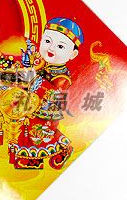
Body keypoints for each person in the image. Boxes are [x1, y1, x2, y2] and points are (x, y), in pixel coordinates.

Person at [13, 17, 84, 169]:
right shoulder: (42, 65)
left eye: (60, 46)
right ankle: (34, 158)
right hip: (32, 106)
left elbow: (52, 94)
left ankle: (58, 151)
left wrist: (33, 79)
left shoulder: (62, 77)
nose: (51, 48)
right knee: (27, 131)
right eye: (47, 41)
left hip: (47, 112)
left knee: (39, 134)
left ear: (72, 54)